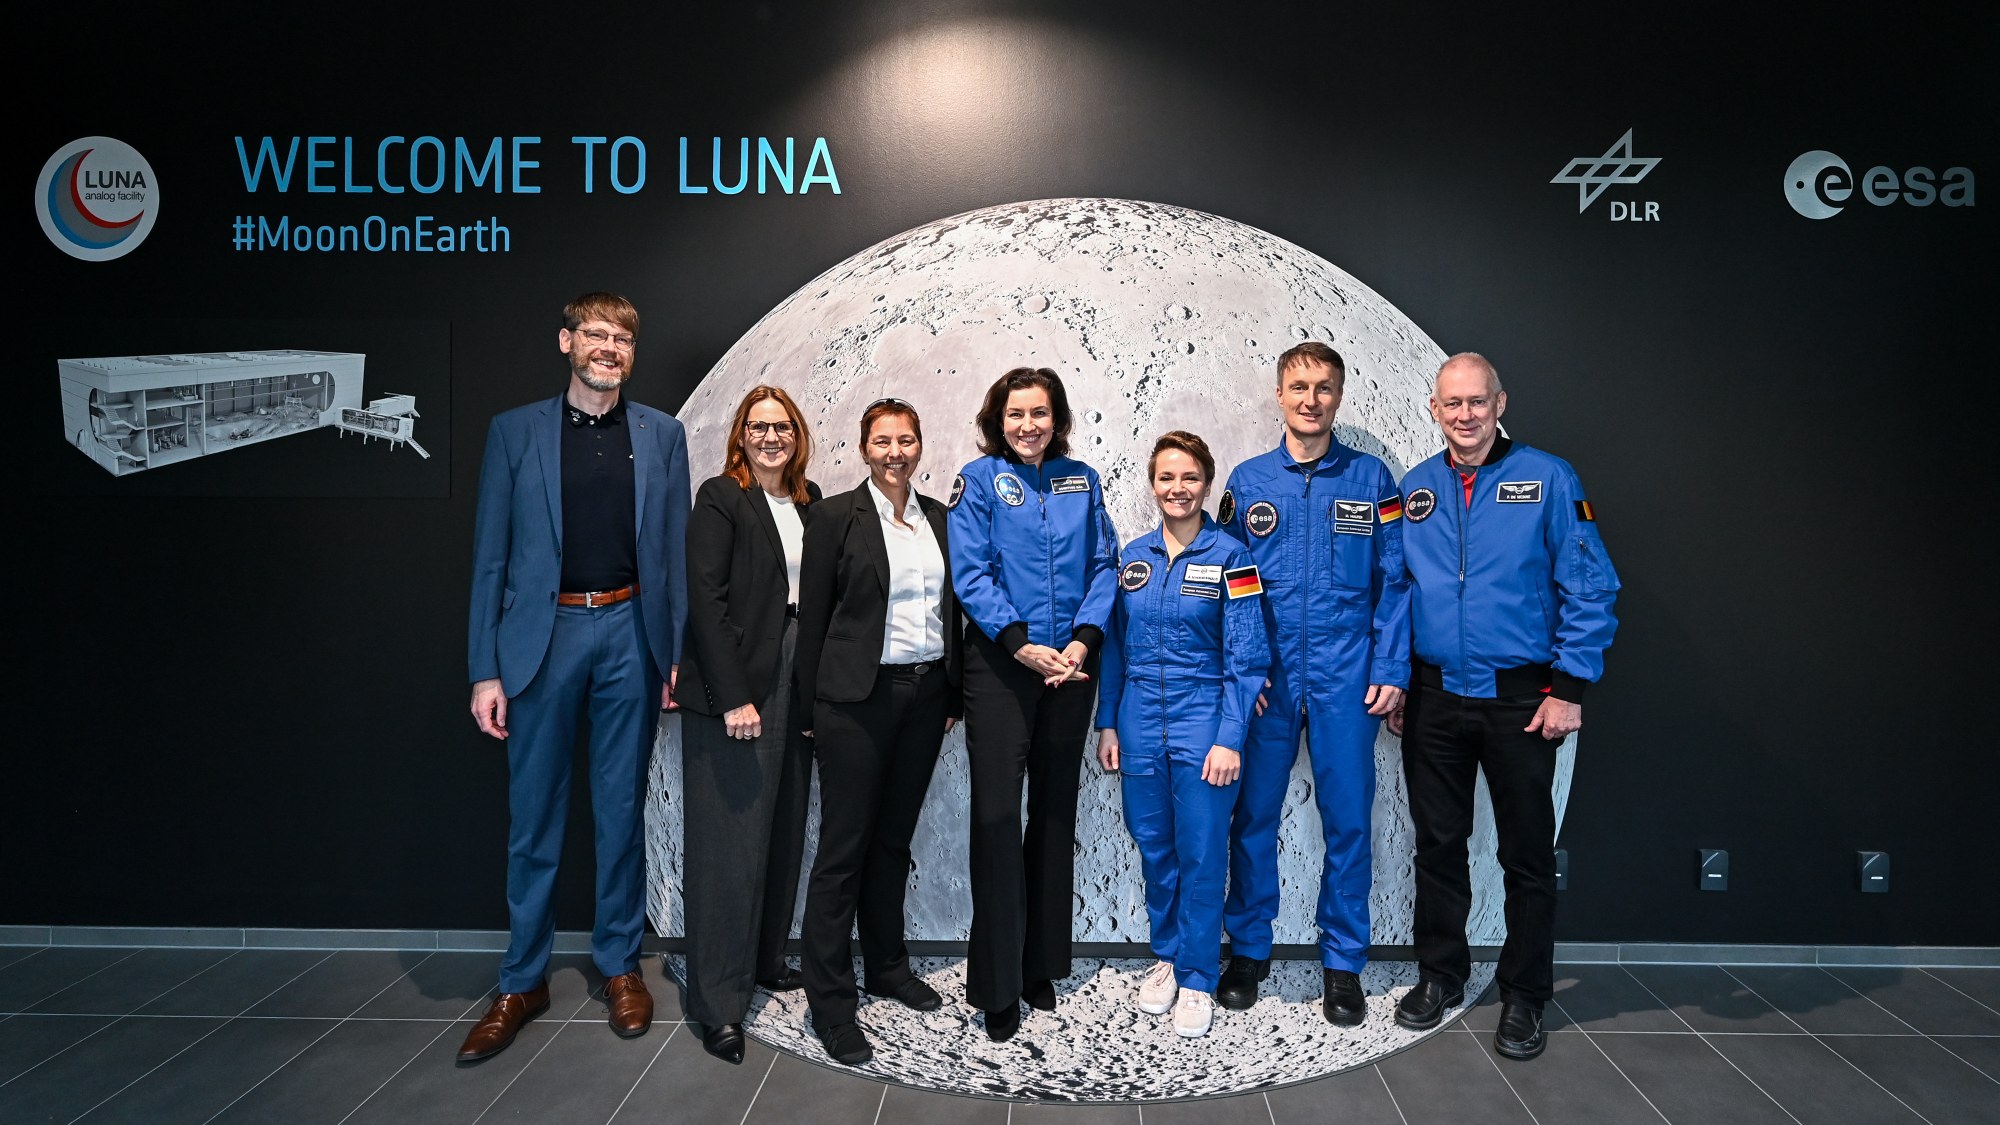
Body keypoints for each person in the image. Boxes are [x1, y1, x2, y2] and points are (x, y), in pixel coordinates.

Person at [461, 292, 688, 1063]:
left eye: (623, 337)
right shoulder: (515, 432)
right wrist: (483, 667)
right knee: (535, 817)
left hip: (630, 632)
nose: (609, 347)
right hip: (542, 637)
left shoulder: (663, 434)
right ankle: (522, 978)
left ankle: (620, 964)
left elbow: (671, 555)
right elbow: (490, 558)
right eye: (596, 333)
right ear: (566, 341)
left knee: (620, 811)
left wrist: (674, 652)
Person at [1388, 352, 1618, 1061]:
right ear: (1434, 408)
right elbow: (1396, 589)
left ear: (1499, 403)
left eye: (1477, 401)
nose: (1465, 414)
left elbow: (1591, 586)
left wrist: (1570, 687)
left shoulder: (1549, 478)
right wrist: (1396, 676)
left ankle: (1525, 996)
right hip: (1433, 697)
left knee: (1526, 858)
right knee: (1437, 847)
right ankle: (1441, 975)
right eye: (1452, 403)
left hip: (1522, 699)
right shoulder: (1416, 488)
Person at [1215, 341, 1411, 1025]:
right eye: (1299, 385)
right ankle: (1247, 950)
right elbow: (1225, 584)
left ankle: (1343, 963)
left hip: (1346, 674)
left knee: (1350, 820)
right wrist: (1243, 671)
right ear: (1279, 393)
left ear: (1339, 395)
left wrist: (1390, 667)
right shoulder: (1247, 481)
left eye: (1324, 387)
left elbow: (1396, 580)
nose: (1311, 398)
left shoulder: (1372, 480)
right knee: (1252, 816)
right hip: (1269, 676)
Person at [949, 367, 1119, 1042]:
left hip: (1070, 671)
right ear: (998, 418)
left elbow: (1104, 565)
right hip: (1001, 669)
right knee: (996, 820)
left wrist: (1080, 642)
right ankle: (994, 982)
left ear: (1058, 417)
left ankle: (1038, 963)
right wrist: (1021, 644)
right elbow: (971, 573)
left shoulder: (1082, 480)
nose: (1029, 425)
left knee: (1053, 814)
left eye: (1040, 413)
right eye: (1017, 413)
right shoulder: (980, 480)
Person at [792, 398, 963, 1066]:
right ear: (865, 448)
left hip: (923, 697)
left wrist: (949, 691)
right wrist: (810, 708)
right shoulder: (834, 516)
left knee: (893, 840)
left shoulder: (940, 520)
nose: (896, 451)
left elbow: (952, 613)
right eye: (883, 440)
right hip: (853, 702)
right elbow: (814, 620)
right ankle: (830, 1003)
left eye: (907, 439)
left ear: (920, 446)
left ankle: (888, 965)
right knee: (843, 850)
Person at [1095, 431, 1269, 1039]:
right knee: (1154, 845)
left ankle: (1197, 976)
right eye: (1166, 478)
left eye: (1190, 477)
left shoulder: (1232, 557)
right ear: (1152, 485)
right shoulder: (1134, 560)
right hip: (1140, 718)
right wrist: (1109, 722)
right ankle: (1168, 956)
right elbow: (1114, 648)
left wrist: (1229, 736)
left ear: (1207, 484)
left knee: (1201, 852)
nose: (1178, 489)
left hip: (1204, 719)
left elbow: (1247, 656)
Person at [676, 385, 820, 1065]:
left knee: (784, 826)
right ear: (742, 434)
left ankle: (764, 960)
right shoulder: (721, 497)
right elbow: (704, 597)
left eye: (782, 425)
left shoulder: (811, 500)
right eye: (759, 426)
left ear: (797, 434)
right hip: (739, 681)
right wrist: (733, 693)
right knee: (728, 846)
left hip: (797, 677)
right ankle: (718, 1004)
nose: (771, 436)